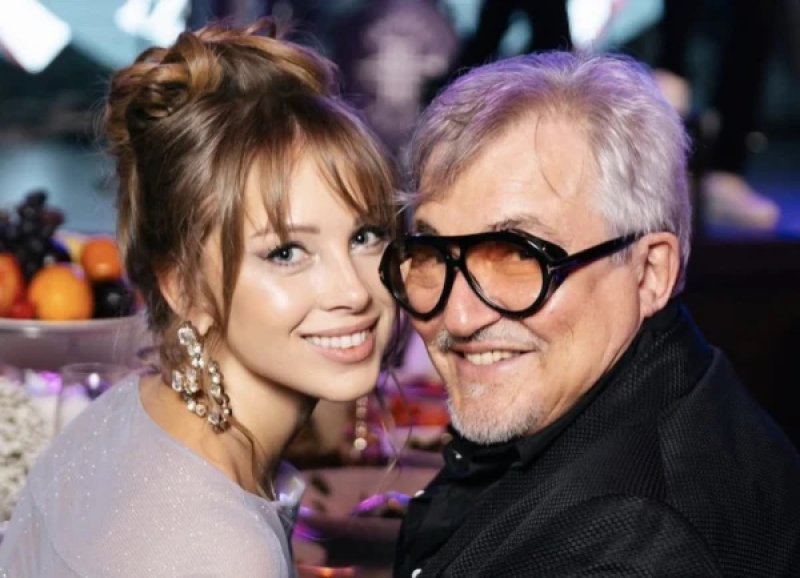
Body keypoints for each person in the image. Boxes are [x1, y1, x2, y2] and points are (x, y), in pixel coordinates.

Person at [0, 19, 398, 576]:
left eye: (365, 236)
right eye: (286, 252)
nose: (354, 291)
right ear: (182, 286)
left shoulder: (126, 415)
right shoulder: (222, 549)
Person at [380, 51, 800, 576]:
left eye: (519, 256)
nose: (458, 318)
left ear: (650, 272)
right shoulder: (651, 395)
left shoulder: (629, 546)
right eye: (431, 253)